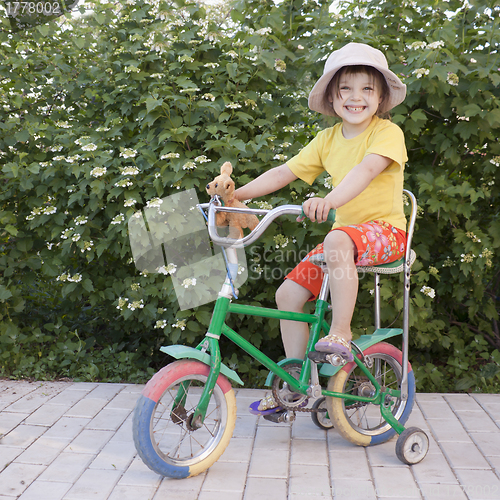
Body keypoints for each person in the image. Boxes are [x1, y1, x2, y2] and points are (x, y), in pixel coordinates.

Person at [233, 42, 408, 415]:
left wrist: (329, 200)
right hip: (340, 243)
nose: (355, 97)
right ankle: (298, 382)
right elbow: (284, 172)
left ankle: (340, 332)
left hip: (385, 233)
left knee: (336, 236)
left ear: (381, 98)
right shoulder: (326, 139)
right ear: (332, 96)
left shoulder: (386, 134)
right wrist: (237, 197)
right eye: (345, 88)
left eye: (366, 89)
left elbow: (365, 171)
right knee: (288, 294)